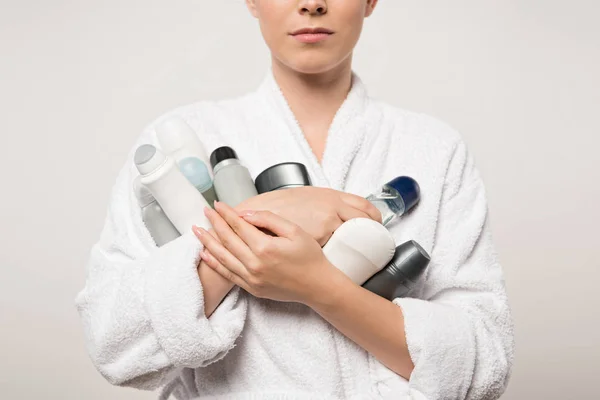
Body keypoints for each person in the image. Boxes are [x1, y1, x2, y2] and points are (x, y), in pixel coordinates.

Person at [75, 1, 514, 399]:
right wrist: (276, 216)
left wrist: (318, 286)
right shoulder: (177, 139)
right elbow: (115, 342)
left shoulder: (435, 149)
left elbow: (482, 362)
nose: (312, 4)